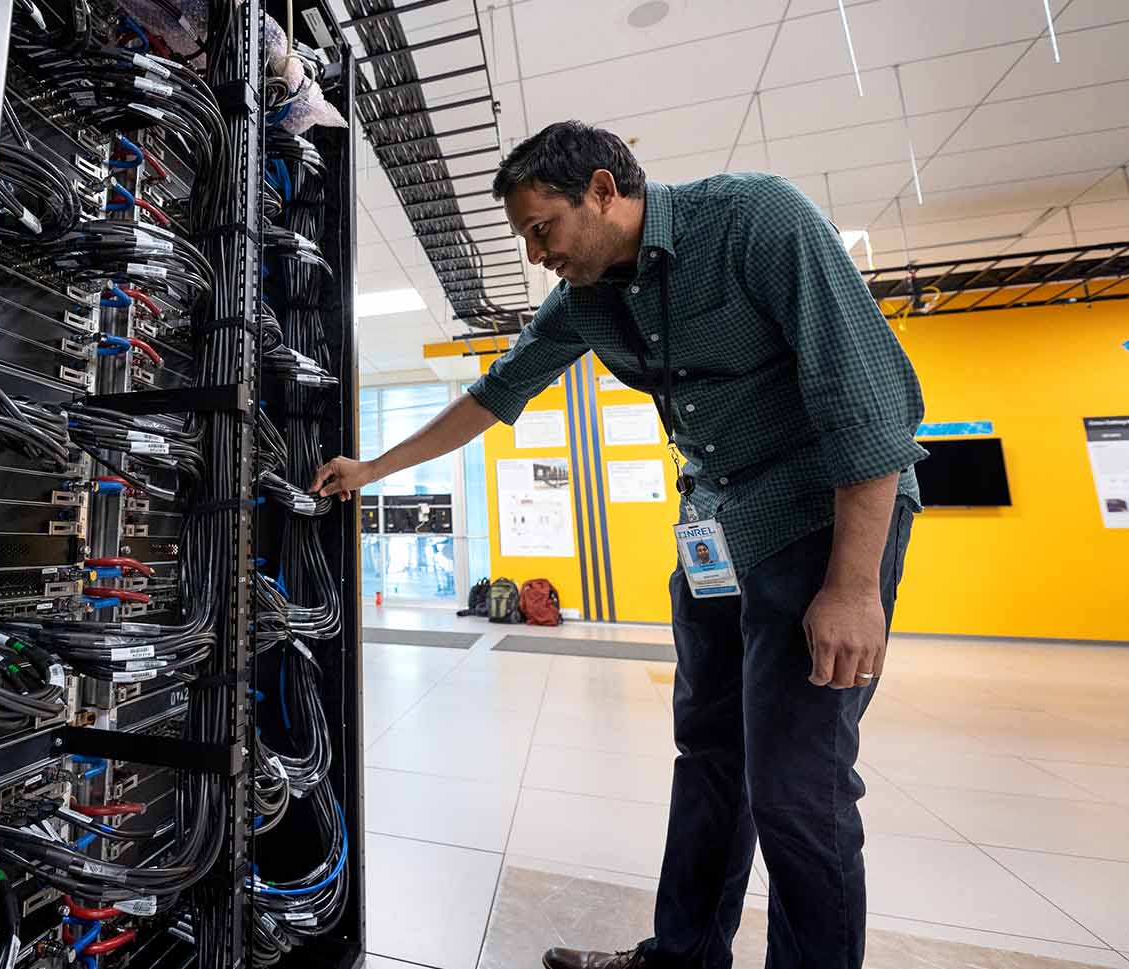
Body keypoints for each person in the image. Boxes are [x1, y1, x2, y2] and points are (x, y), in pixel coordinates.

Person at [311, 121, 925, 969]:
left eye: (541, 230)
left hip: (818, 521)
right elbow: (494, 396)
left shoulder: (754, 221)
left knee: (796, 787)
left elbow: (867, 398)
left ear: (603, 190)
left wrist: (854, 588)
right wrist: (373, 465)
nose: (535, 256)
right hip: (716, 533)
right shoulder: (587, 302)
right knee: (710, 757)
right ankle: (682, 958)